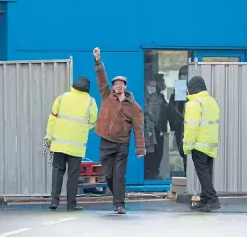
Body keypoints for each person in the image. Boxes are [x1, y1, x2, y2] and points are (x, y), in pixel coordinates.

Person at [93, 47, 146, 215]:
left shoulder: (134, 107)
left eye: (120, 84)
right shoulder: (107, 95)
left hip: (122, 144)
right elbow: (102, 80)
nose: (117, 85)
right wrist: (98, 61)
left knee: (119, 175)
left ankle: (119, 204)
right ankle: (118, 196)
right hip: (106, 141)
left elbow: (138, 128)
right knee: (108, 175)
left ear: (125, 86)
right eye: (115, 83)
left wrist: (140, 148)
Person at [43, 76, 98, 211]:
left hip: (59, 143)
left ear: (74, 86)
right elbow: (93, 121)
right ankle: (71, 204)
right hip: (77, 145)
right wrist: (81, 129)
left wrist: (49, 137)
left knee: (57, 172)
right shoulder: (91, 102)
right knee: (73, 175)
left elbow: (52, 118)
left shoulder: (62, 97)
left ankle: (54, 201)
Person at [183, 75, 221, 212]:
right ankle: (205, 200)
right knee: (207, 173)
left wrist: (187, 146)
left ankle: (212, 199)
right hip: (210, 144)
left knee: (202, 173)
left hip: (198, 144)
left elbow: (191, 127)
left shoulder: (193, 104)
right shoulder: (212, 101)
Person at [144, 74, 170, 179]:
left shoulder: (159, 96)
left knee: (157, 153)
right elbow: (150, 113)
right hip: (150, 129)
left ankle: (154, 173)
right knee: (151, 153)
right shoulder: (148, 97)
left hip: (158, 128)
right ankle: (150, 174)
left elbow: (157, 114)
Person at [169, 65, 189, 176]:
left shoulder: (194, 93)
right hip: (180, 128)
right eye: (182, 75)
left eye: (185, 74)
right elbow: (171, 112)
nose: (183, 77)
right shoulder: (176, 95)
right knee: (183, 153)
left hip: (191, 129)